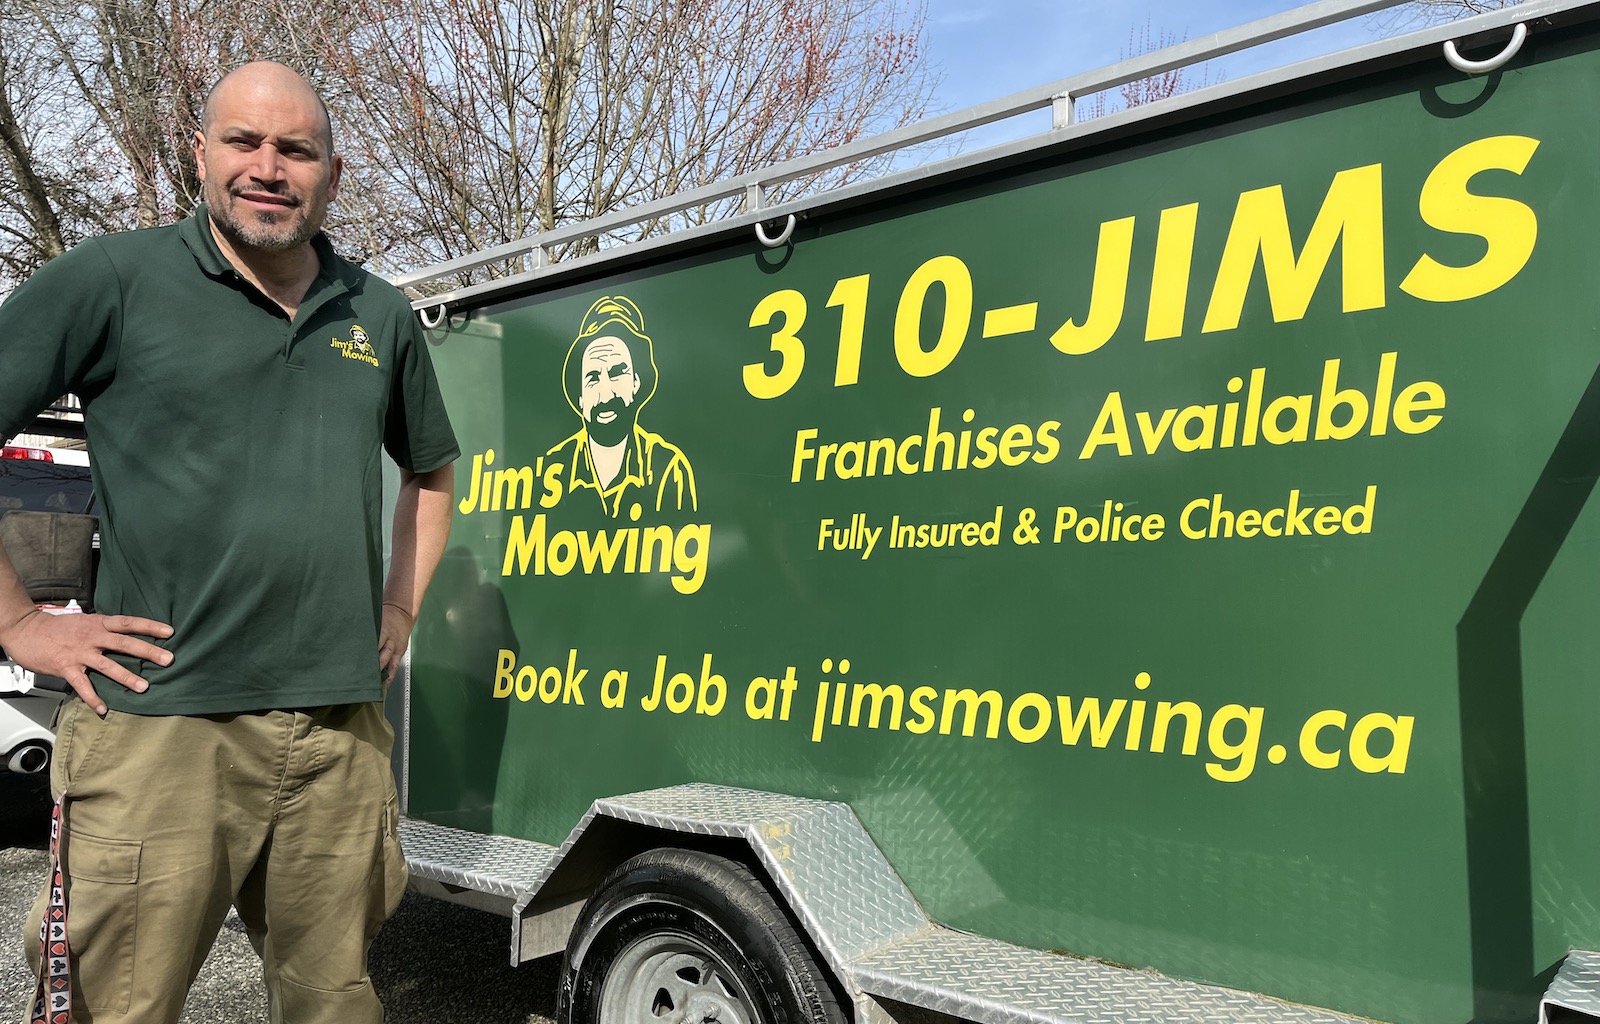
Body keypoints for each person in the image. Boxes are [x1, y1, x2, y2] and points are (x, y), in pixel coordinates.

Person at [0, 61, 458, 1024]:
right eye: (244, 142)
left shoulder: (376, 312)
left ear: (333, 172)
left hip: (338, 734)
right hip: (160, 727)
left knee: (334, 1005)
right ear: (200, 154)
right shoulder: (114, 280)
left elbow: (431, 473)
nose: (268, 168)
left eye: (297, 149)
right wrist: (21, 624)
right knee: (113, 1009)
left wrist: (399, 605)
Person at [544, 295, 696, 517]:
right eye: (593, 378)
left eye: (617, 373)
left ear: (636, 383)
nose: (606, 395)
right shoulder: (553, 468)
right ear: (580, 397)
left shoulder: (667, 467)